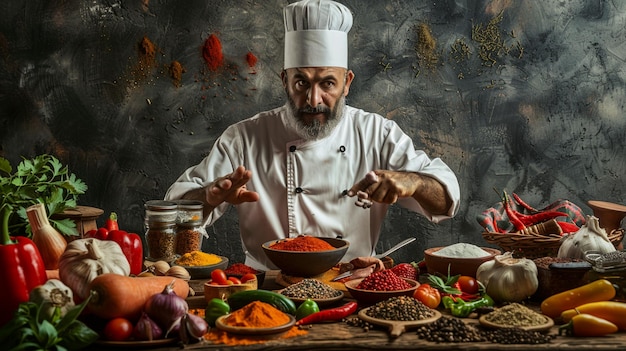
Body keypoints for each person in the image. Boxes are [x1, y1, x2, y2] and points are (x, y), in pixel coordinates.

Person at [165, 0, 460, 271]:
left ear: (347, 83)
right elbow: (173, 213)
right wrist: (208, 196)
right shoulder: (244, 137)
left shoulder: (377, 133)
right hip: (267, 289)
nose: (313, 99)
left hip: (352, 285)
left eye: (328, 83)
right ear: (284, 81)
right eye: (301, 82)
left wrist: (414, 181)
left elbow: (446, 200)